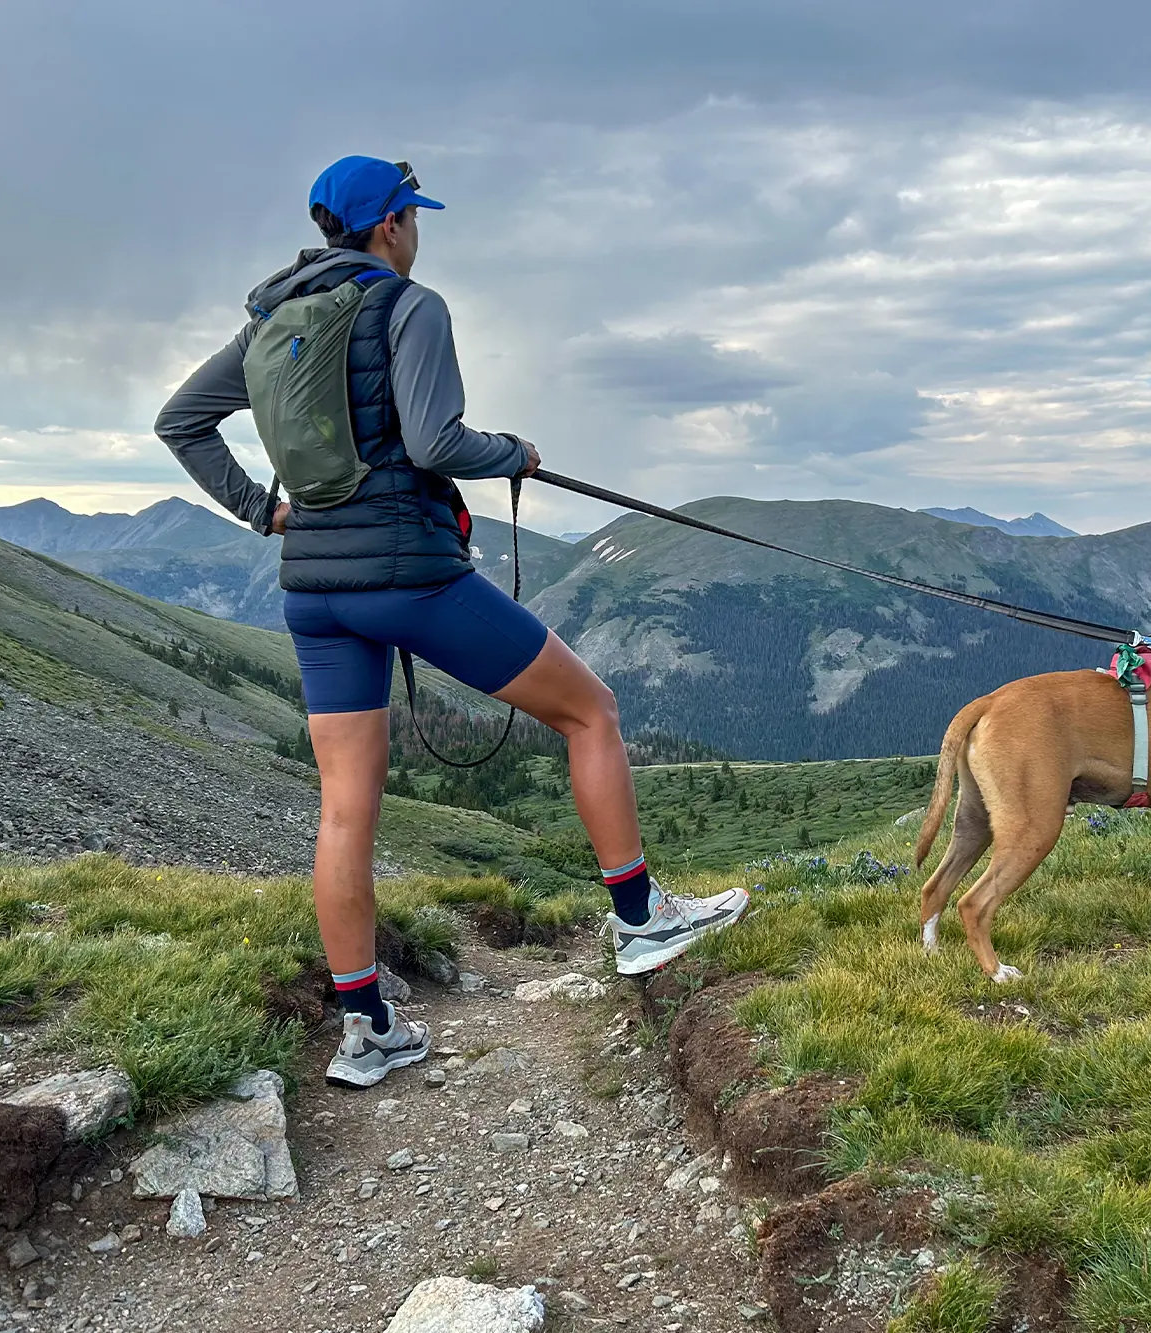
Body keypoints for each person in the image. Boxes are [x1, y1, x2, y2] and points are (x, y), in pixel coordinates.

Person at [155, 156, 748, 1089]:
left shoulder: (268, 320)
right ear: (389, 224)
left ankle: (367, 1028)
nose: (417, 231)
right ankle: (641, 920)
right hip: (410, 573)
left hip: (313, 589)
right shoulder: (409, 305)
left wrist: (263, 510)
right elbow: (435, 440)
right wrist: (511, 452)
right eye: (412, 216)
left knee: (345, 808)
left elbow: (180, 420)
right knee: (590, 710)